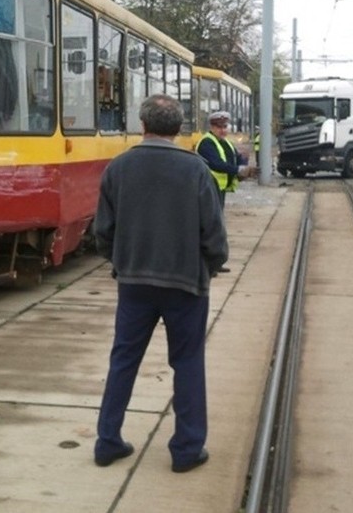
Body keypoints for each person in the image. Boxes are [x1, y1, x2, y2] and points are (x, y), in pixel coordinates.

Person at [93, 93, 229, 474]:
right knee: (187, 362)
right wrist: (211, 267)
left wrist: (122, 262)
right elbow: (214, 235)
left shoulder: (118, 168)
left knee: (123, 359)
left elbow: (102, 232)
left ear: (143, 125)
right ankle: (186, 450)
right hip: (186, 283)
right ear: (179, 128)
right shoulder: (197, 169)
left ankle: (107, 441)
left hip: (134, 283)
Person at [196, 111, 257, 210]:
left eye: (225, 127)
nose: (223, 130)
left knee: (217, 217)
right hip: (209, 188)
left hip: (219, 188)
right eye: (219, 127)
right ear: (211, 127)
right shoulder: (206, 142)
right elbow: (217, 164)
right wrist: (239, 170)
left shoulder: (225, 142)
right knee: (212, 220)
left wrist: (243, 163)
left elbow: (236, 157)